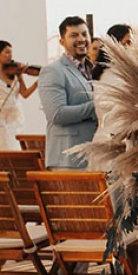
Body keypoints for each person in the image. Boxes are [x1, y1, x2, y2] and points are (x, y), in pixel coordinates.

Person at [38, 16, 97, 168]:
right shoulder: (53, 71)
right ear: (62, 41)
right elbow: (57, 114)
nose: (81, 39)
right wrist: (97, 105)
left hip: (94, 157)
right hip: (68, 160)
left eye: (84, 34)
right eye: (74, 35)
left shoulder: (94, 70)